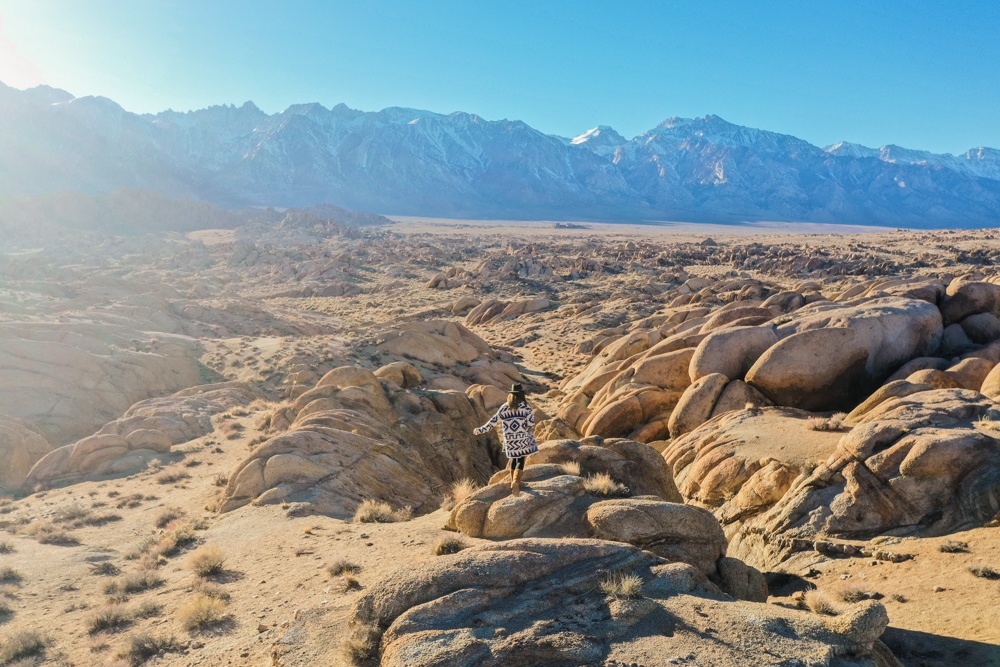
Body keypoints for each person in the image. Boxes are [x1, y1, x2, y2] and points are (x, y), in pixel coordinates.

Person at [473, 383, 538, 496]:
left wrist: (480, 430)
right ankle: (516, 481)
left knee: (513, 459)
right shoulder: (526, 407)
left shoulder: (505, 407)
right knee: (520, 460)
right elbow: (531, 424)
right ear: (522, 395)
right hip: (522, 438)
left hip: (509, 439)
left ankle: (513, 483)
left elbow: (493, 421)